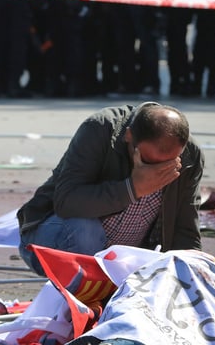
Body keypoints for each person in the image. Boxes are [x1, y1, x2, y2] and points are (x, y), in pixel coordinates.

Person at [17, 102, 204, 276]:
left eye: (169, 165)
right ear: (128, 136)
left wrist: (194, 274)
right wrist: (133, 188)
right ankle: (84, 296)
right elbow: (67, 202)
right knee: (85, 229)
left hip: (121, 261)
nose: (158, 172)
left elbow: (185, 228)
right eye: (149, 162)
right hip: (51, 241)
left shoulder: (190, 155)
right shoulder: (100, 129)